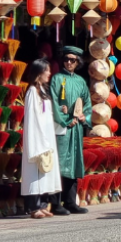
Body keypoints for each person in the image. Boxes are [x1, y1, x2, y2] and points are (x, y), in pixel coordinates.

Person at [49, 46, 91, 215]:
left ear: (78, 62)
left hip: (76, 129)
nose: (69, 62)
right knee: (59, 164)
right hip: (62, 128)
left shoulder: (81, 81)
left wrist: (84, 117)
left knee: (74, 164)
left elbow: (87, 103)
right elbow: (53, 102)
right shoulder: (56, 78)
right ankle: (55, 203)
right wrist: (66, 120)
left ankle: (71, 202)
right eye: (66, 59)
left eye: (72, 60)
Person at [21, 59, 61, 219]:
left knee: (46, 171)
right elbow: (32, 119)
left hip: (47, 136)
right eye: (47, 70)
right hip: (38, 138)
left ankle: (43, 204)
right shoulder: (32, 91)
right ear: (39, 72)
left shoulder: (43, 90)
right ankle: (34, 207)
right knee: (35, 173)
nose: (49, 73)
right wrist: (39, 141)